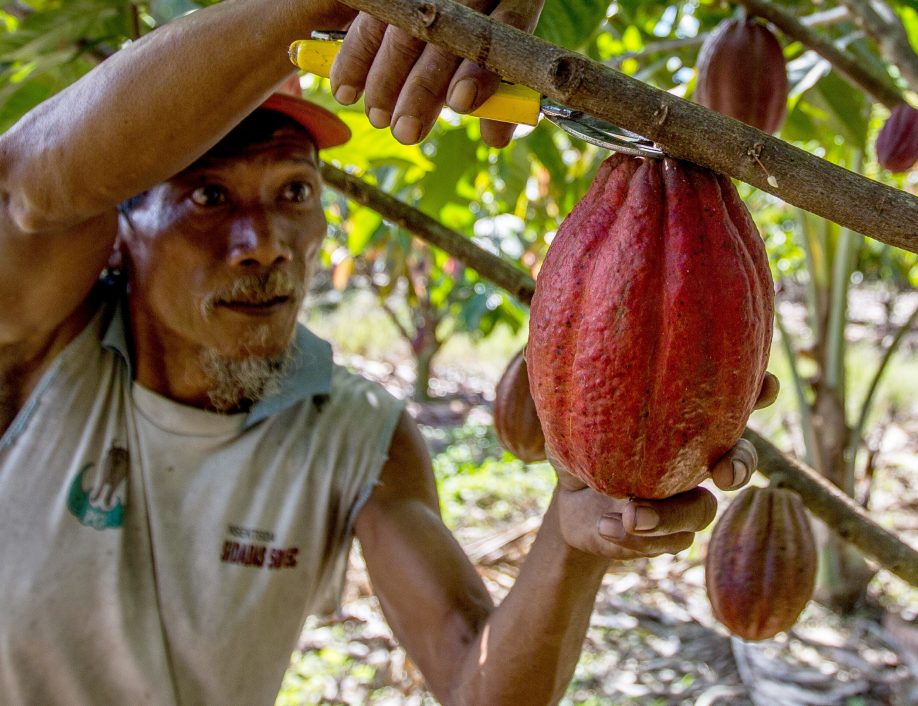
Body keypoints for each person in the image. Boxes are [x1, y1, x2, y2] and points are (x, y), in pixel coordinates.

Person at [0, 1, 776, 704]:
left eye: (294, 193)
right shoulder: (38, 344)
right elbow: (26, 184)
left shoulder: (351, 432)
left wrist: (575, 533)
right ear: (122, 230)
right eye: (209, 197)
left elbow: (476, 681)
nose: (262, 244)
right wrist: (343, 3)